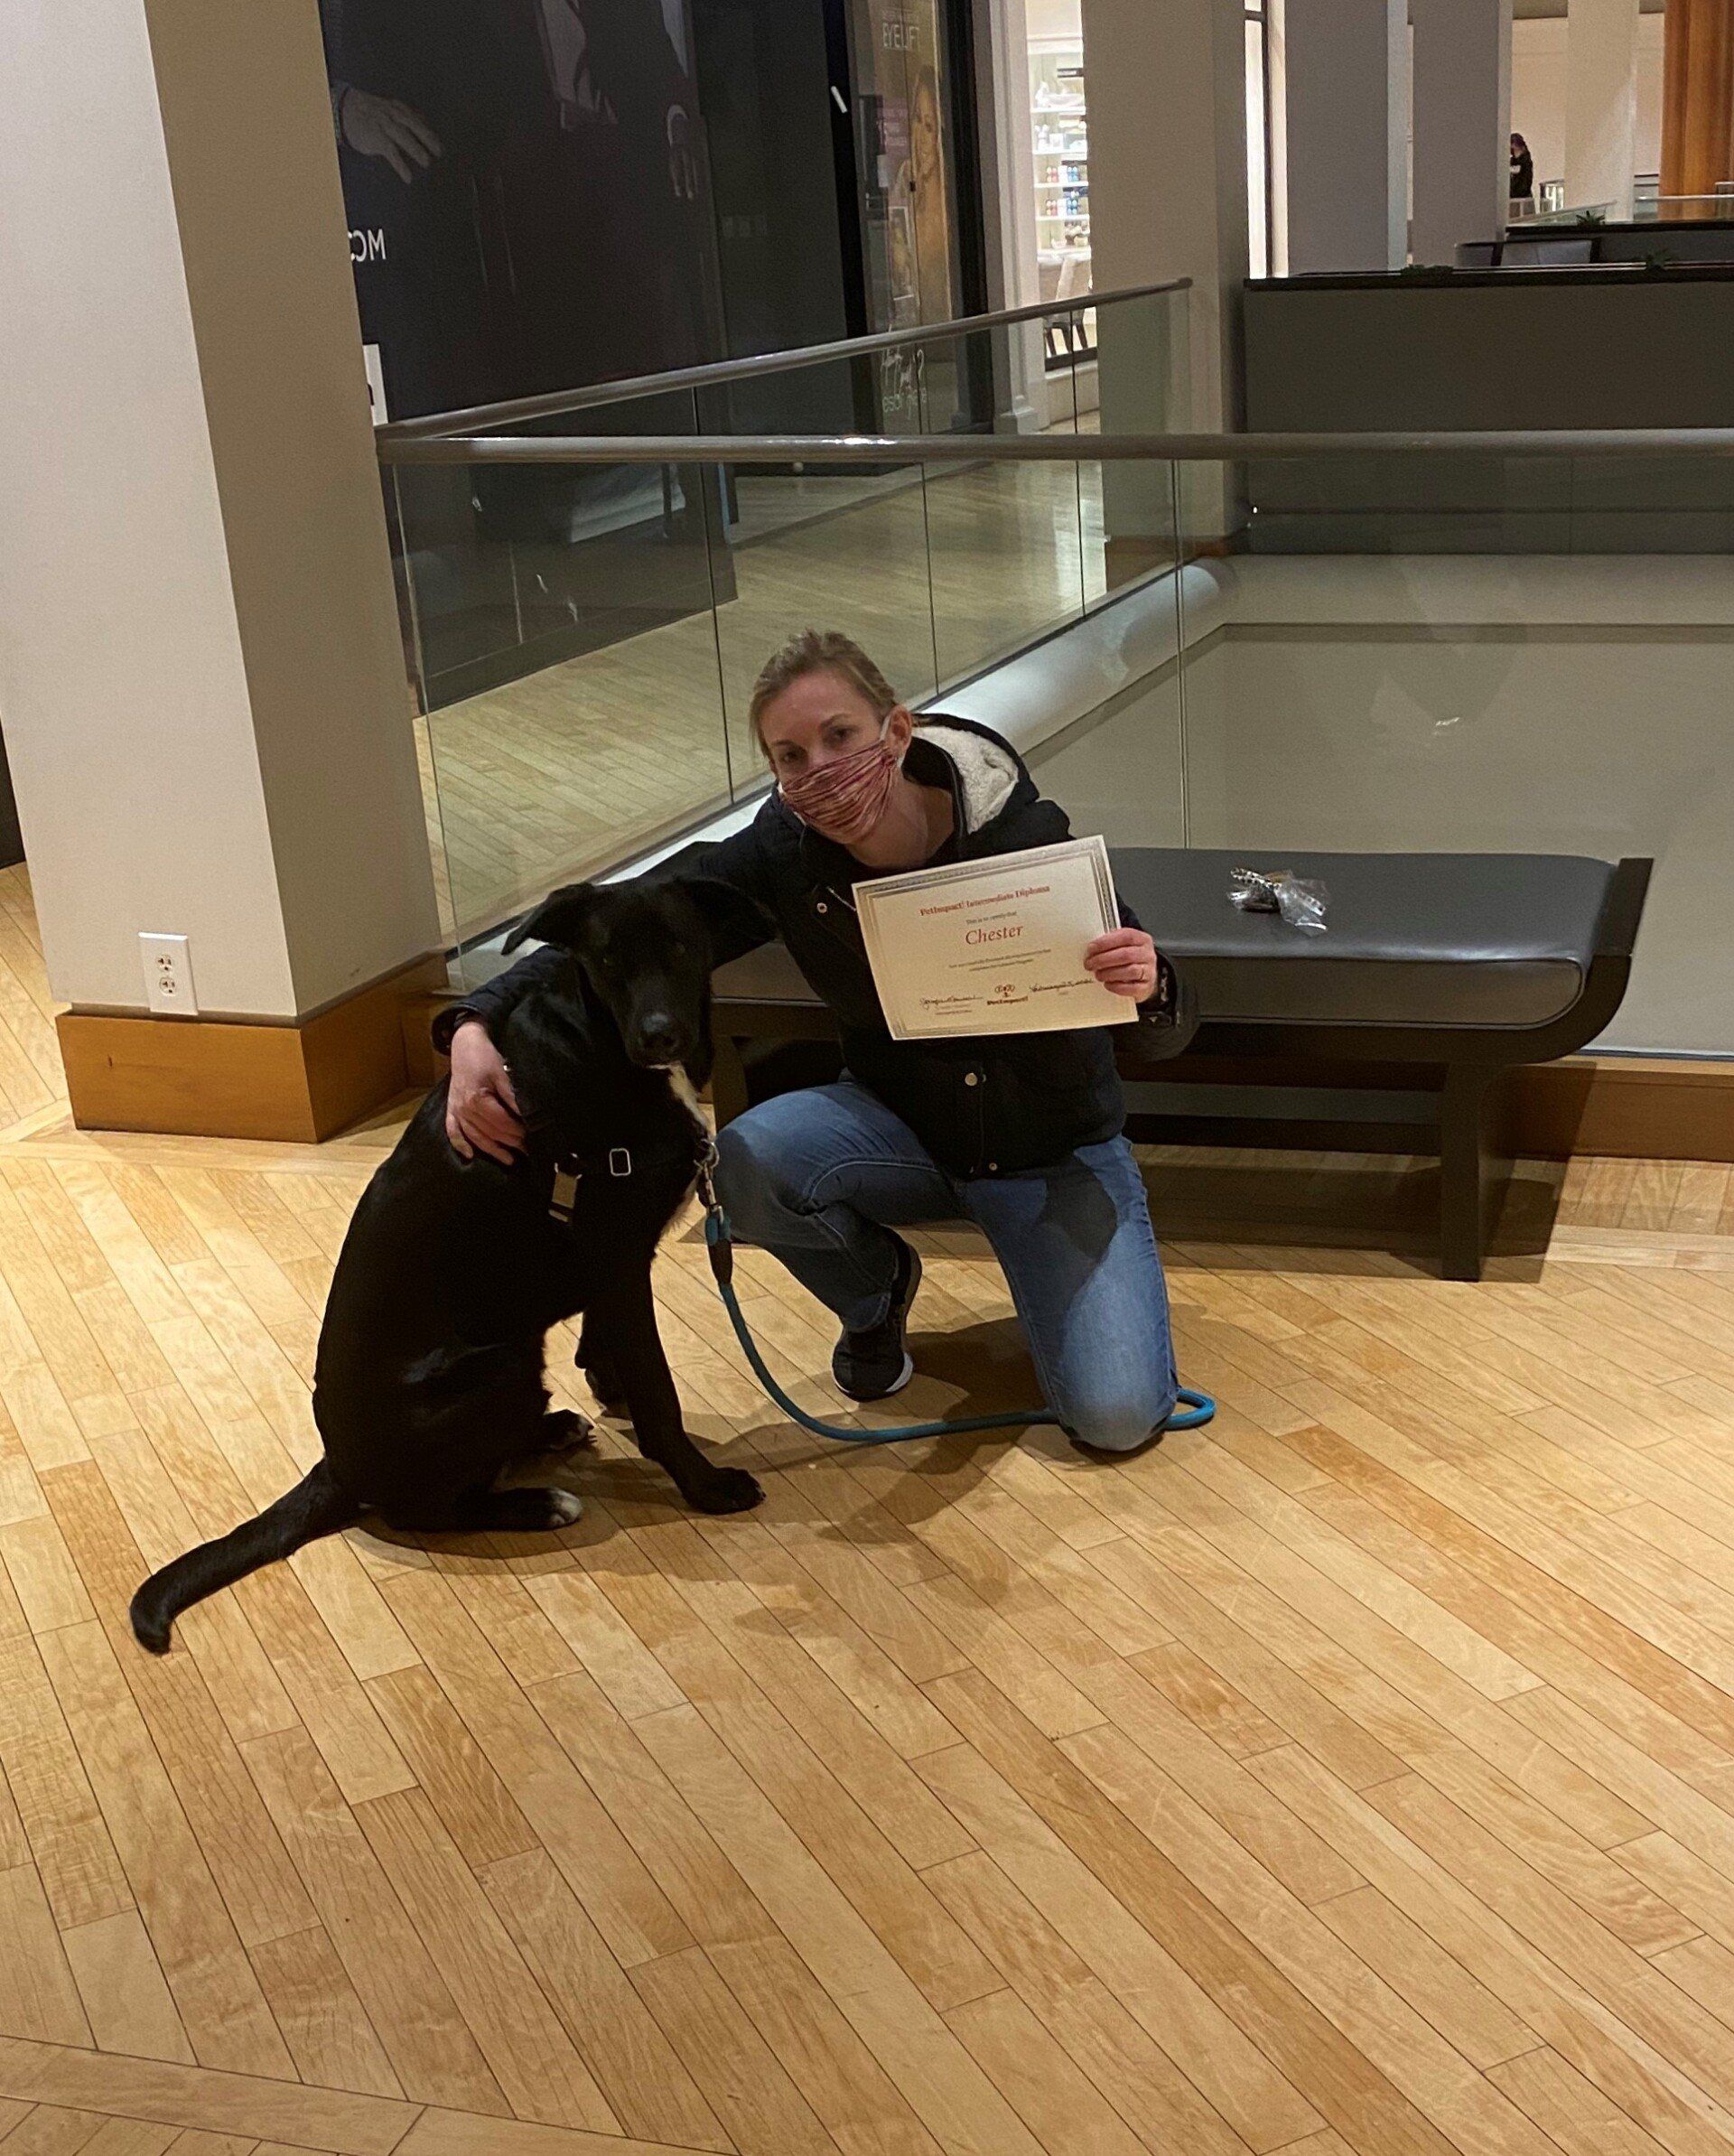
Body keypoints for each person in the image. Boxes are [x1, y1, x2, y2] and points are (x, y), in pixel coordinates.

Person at [441, 629, 1189, 1459]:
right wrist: (475, 1020)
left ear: (895, 732)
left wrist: (1151, 986)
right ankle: (876, 1296)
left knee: (1117, 1419)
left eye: (840, 736)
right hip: (902, 1129)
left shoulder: (1026, 839)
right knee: (749, 1154)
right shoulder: (781, 853)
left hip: (1054, 1155)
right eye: (791, 755)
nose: (821, 770)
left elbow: (1168, 1034)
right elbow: (625, 916)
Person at [1509, 132, 1535, 210]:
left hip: (1523, 197)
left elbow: (1519, 171)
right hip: (1514, 196)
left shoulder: (1525, 161)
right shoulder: (1513, 160)